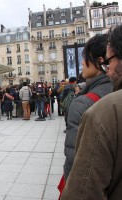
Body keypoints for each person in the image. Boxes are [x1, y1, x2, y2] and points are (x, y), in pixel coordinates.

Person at [61, 25, 122, 200]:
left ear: (99, 61)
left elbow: (76, 170)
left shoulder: (83, 104)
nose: (81, 64)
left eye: (84, 59)